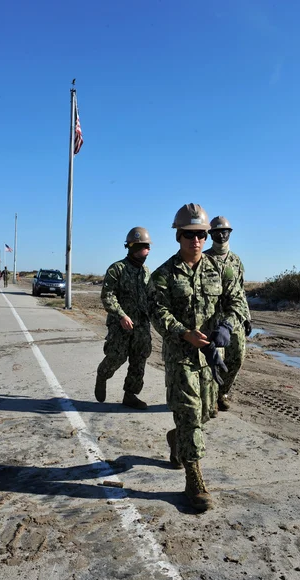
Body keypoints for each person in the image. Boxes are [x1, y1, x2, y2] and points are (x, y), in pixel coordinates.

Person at [148, 203, 249, 512]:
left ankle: (176, 438)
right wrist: (182, 332)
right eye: (189, 235)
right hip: (180, 356)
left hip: (209, 357)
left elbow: (237, 302)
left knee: (205, 414)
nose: (196, 241)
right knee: (191, 414)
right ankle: (195, 482)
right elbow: (156, 310)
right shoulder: (164, 274)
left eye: (201, 235)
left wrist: (226, 326)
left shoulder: (219, 269)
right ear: (178, 236)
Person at [94, 227, 153, 410]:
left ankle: (130, 395)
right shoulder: (117, 269)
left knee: (139, 360)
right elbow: (108, 296)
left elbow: (151, 296)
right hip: (120, 325)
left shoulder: (146, 272)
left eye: (149, 247)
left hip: (141, 326)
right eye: (145, 247)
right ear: (134, 247)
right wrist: (121, 315)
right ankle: (102, 375)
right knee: (116, 357)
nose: (148, 251)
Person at [204, 216, 252, 413]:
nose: (221, 234)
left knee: (237, 357)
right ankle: (212, 399)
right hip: (213, 320)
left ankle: (223, 392)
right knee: (215, 360)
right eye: (217, 232)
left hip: (235, 318)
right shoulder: (204, 258)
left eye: (225, 231)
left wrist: (247, 316)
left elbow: (240, 291)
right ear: (211, 234)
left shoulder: (236, 260)